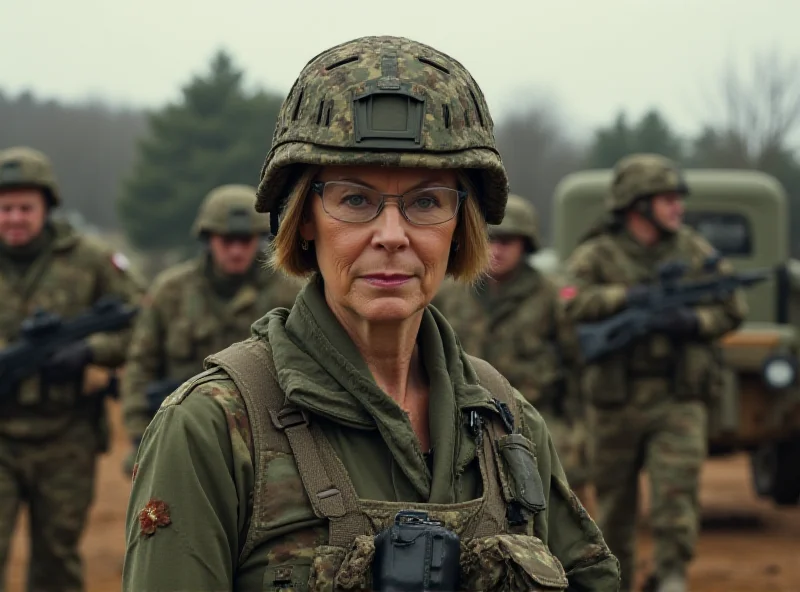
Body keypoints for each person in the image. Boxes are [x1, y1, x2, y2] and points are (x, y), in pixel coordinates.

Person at [123, 36, 620, 591]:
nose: (391, 236)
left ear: (462, 227)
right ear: (303, 219)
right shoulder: (213, 428)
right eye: (355, 200)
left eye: (426, 201)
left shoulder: (506, 423)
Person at [561, 153, 747, 592]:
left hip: (678, 395)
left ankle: (671, 577)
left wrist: (693, 322)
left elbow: (732, 307)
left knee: (676, 498)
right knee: (614, 507)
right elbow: (571, 300)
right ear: (636, 204)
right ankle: (615, 581)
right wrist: (629, 298)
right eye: (667, 200)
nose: (677, 208)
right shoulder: (597, 253)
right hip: (616, 399)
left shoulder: (693, 251)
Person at [0, 146, 143, 591]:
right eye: (5, 208)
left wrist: (89, 351)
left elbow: (144, 322)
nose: (15, 218)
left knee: (56, 560)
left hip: (66, 436)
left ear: (47, 207)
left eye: (26, 207)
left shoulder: (90, 259)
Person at [120, 184, 301, 472]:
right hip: (184, 434)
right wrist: (139, 435)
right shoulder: (171, 291)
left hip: (269, 439)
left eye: (245, 240)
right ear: (208, 238)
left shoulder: (290, 293)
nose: (236, 250)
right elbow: (141, 366)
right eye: (226, 240)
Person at [433, 194, 593, 511]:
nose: (497, 249)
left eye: (508, 240)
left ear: (526, 244)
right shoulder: (448, 292)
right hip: (461, 416)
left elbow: (578, 365)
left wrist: (580, 429)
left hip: (536, 415)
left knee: (555, 497)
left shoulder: (551, 296)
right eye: (490, 239)